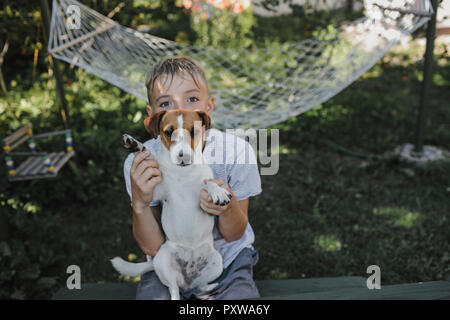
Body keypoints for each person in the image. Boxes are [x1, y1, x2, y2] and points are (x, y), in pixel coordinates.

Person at [123, 56, 262, 300]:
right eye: (166, 103)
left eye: (192, 99)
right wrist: (140, 203)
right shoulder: (142, 163)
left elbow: (234, 234)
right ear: (153, 117)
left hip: (227, 259)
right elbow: (152, 246)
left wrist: (226, 208)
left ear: (208, 107)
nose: (181, 111)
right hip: (170, 260)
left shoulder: (237, 152)